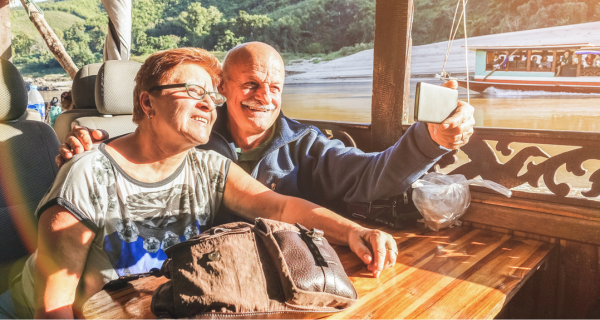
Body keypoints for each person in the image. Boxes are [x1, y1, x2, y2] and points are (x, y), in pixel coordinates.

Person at [0, 48, 397, 319]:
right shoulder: (88, 174)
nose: (208, 103)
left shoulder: (207, 166)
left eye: (212, 95)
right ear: (147, 103)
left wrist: (354, 230)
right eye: (192, 91)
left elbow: (278, 206)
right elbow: (53, 308)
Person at [58, 42, 475, 223]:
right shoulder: (190, 138)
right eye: (251, 84)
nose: (264, 96)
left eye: (275, 86)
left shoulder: (306, 144)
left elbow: (370, 175)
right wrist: (96, 150)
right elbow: (142, 158)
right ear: (222, 89)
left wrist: (431, 138)